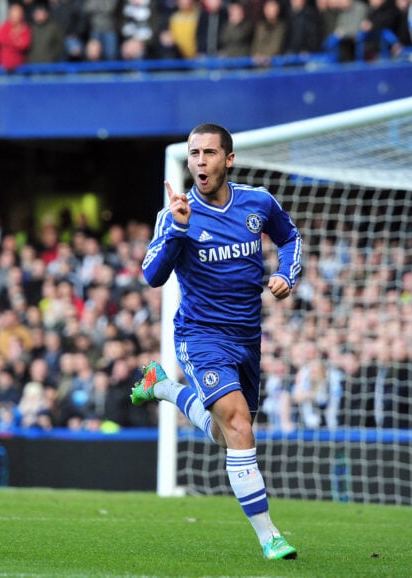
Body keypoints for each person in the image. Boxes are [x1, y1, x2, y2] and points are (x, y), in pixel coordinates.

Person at [131, 123, 301, 560]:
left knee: (228, 435)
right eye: (194, 153)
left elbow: (290, 237)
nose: (200, 161)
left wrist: (286, 273)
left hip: (248, 337)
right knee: (240, 426)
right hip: (201, 336)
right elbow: (152, 276)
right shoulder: (175, 214)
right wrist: (178, 229)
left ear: (229, 159)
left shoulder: (258, 203)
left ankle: (163, 387)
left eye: (209, 152)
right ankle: (270, 536)